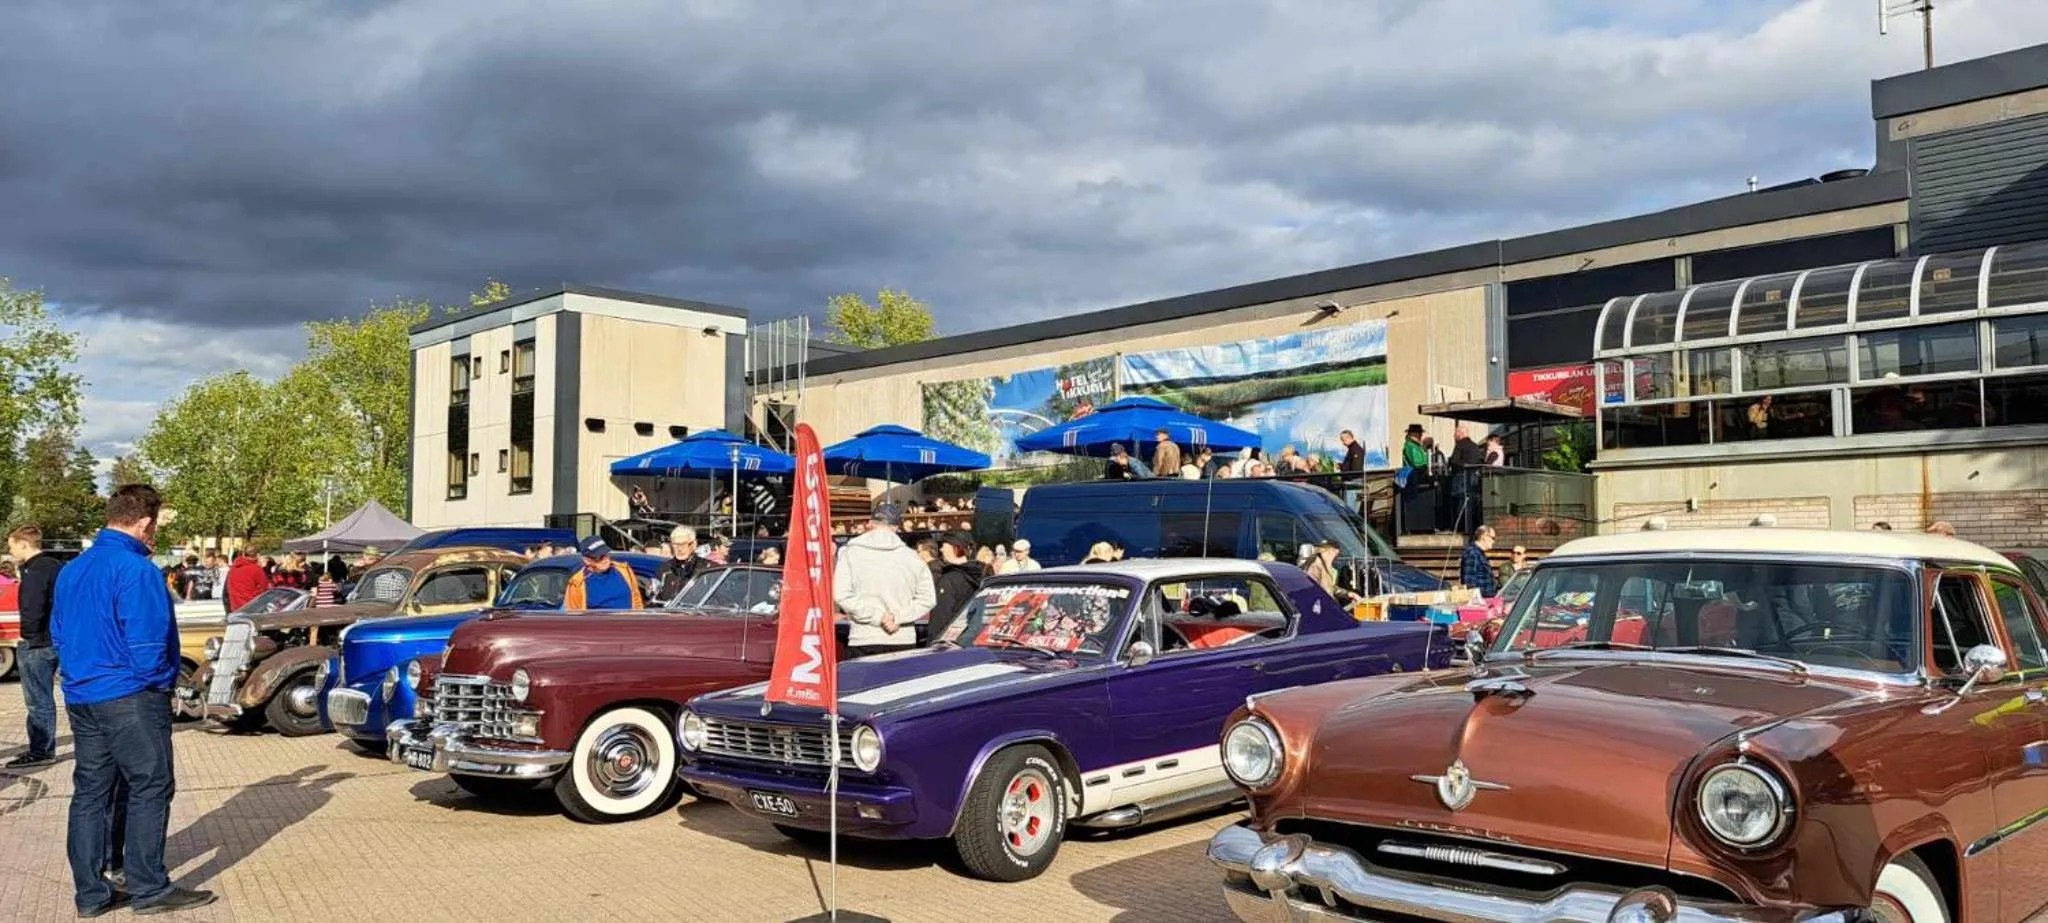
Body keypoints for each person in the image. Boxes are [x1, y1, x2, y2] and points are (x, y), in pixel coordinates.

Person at [52, 484, 218, 914]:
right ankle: (148, 887)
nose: (156, 534)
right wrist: (160, 683)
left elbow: (58, 632)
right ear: (144, 522)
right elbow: (147, 640)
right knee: (150, 784)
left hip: (83, 692)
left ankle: (91, 892)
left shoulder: (74, 568)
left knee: (91, 791)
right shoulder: (137, 569)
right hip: (128, 693)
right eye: (156, 525)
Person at [832, 504, 935, 657]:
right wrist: (898, 617)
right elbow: (928, 599)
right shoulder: (912, 557)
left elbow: (841, 595)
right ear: (896, 527)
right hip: (902, 638)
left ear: (870, 523)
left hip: (863, 637)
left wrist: (877, 616)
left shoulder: (850, 553)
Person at [9, 524, 63, 769]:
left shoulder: (34, 571)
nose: (11, 552)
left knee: (37, 700)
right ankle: (44, 747)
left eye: (12, 546)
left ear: (23, 544)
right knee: (47, 697)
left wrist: (27, 636)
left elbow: (33, 606)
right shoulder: (55, 566)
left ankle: (41, 750)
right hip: (56, 638)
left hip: (38, 642)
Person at [928, 533, 984, 642]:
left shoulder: (948, 580)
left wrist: (932, 645)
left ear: (956, 547)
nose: (941, 549)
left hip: (949, 644)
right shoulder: (980, 575)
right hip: (972, 640)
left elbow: (940, 620)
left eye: (944, 545)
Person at [563, 536, 645, 610]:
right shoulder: (576, 583)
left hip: (628, 624)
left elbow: (637, 602)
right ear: (587, 560)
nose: (605, 559)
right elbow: (573, 616)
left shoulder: (624, 570)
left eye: (606, 554)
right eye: (598, 557)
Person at [652, 525, 703, 605]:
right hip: (669, 615)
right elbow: (655, 599)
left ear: (694, 544)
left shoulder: (707, 568)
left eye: (683, 544)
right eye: (675, 544)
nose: (679, 549)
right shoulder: (665, 568)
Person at [1303, 539, 1356, 603]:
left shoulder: (1328, 568)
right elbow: (1311, 591)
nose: (1323, 552)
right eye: (1323, 550)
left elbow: (1330, 588)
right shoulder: (1314, 567)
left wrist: (1348, 594)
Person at [1462, 525, 1498, 598]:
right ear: (1484, 536)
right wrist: (1478, 602)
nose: (1494, 541)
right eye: (1493, 538)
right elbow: (1469, 582)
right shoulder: (1472, 552)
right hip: (1480, 601)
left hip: (1488, 599)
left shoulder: (1479, 553)